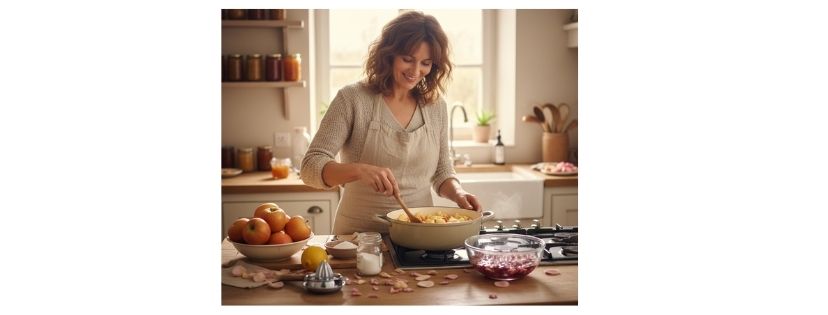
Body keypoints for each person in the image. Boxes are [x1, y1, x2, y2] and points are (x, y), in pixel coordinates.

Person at [300, 11, 481, 235]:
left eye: (425, 63)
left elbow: (442, 171)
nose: (416, 71)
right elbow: (310, 167)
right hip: (358, 236)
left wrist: (458, 193)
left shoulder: (436, 107)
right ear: (389, 54)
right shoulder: (353, 99)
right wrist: (358, 170)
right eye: (408, 59)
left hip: (418, 235)